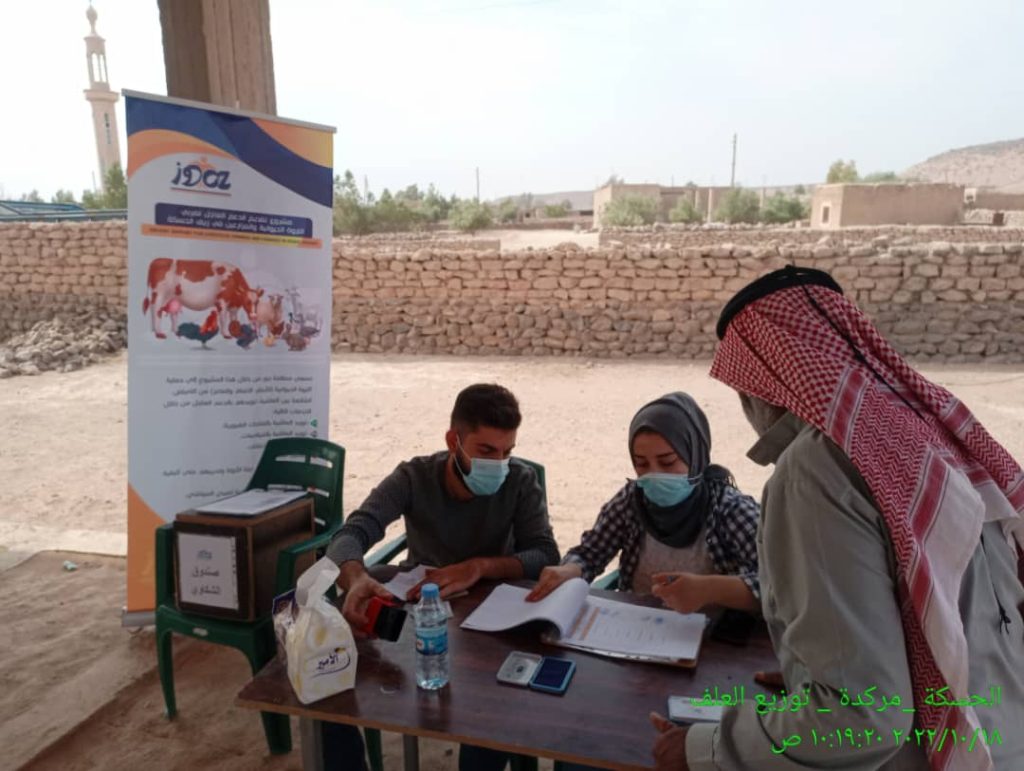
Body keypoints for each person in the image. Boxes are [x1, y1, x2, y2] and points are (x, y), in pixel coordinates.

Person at [651, 265, 1024, 770]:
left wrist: (706, 749)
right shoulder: (929, 430)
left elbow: (862, 717)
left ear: (758, 382)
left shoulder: (817, 468)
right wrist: (812, 676)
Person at [324, 383, 561, 771]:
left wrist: (478, 567)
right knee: (331, 678)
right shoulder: (414, 477)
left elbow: (544, 554)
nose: (499, 464)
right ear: (454, 441)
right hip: (423, 615)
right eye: (487, 451)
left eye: (507, 452)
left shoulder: (519, 481)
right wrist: (354, 577)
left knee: (489, 709)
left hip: (492, 618)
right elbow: (352, 532)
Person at [527, 392, 760, 616]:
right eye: (641, 464)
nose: (654, 474)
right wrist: (570, 570)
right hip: (637, 625)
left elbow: (774, 585)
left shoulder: (731, 511)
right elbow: (590, 553)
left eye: (667, 462)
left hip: (714, 635)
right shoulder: (632, 500)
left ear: (696, 457)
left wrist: (709, 589)